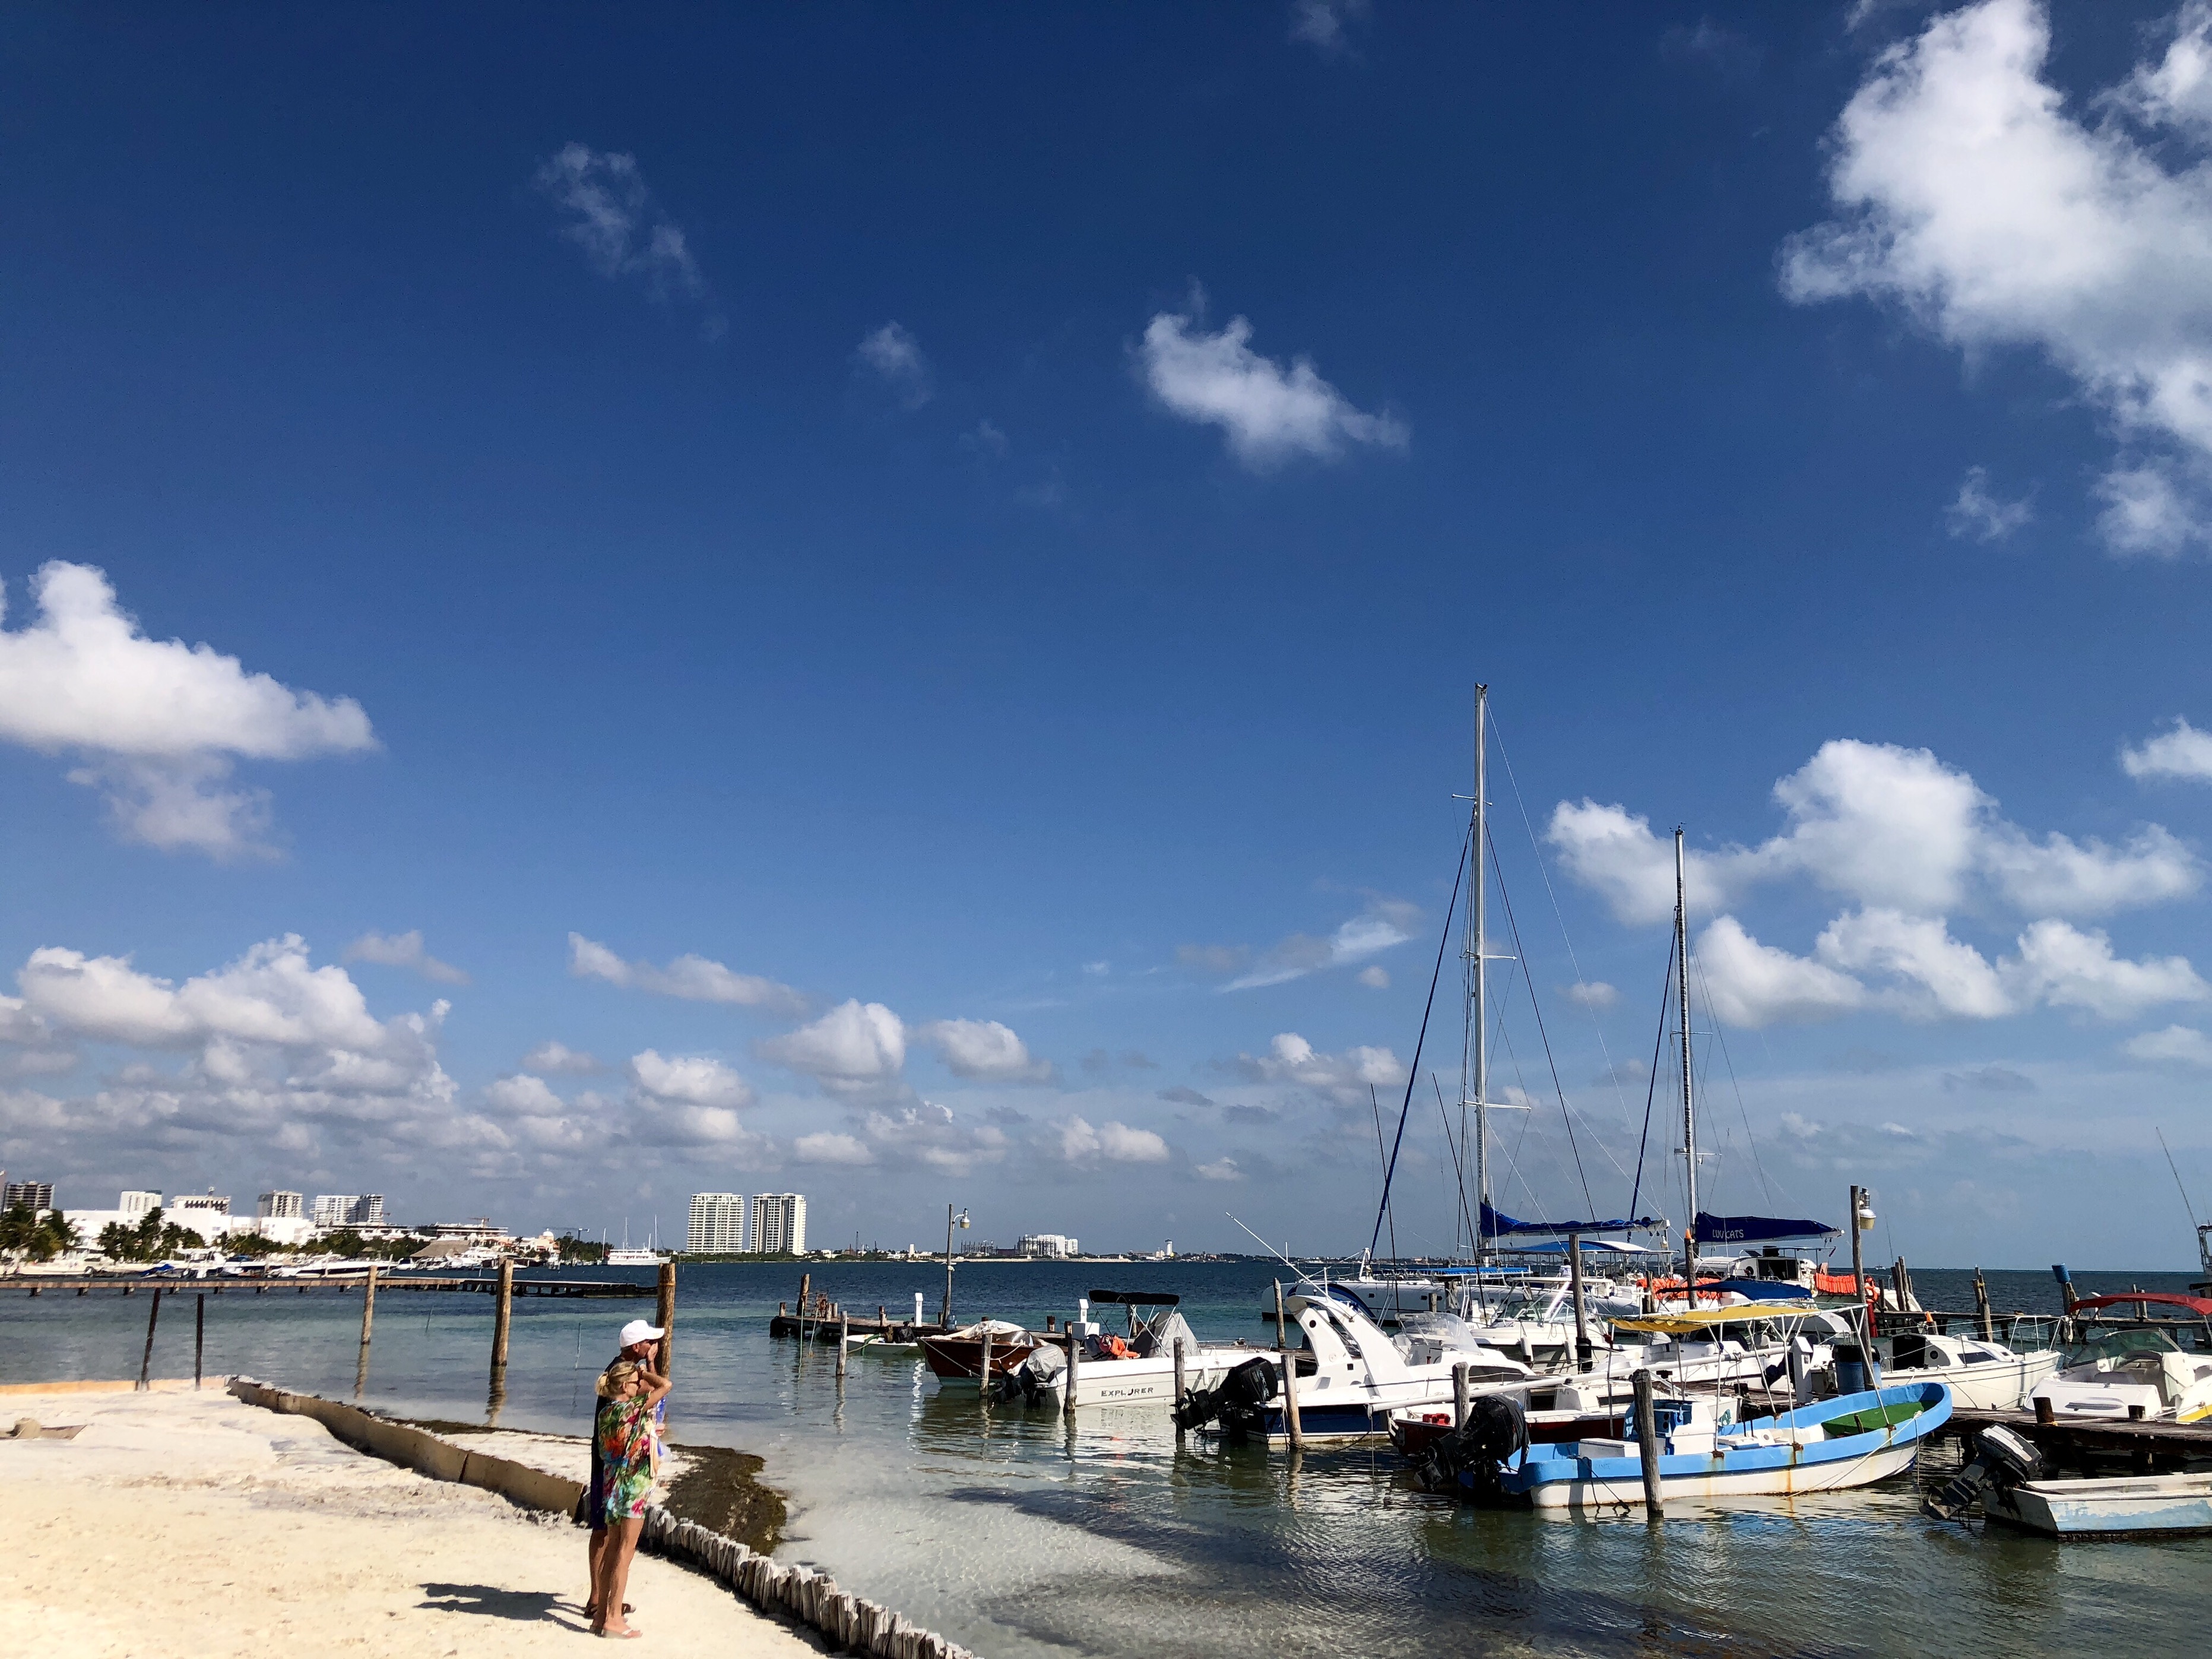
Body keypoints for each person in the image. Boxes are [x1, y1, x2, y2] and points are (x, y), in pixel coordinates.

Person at [585, 1318, 668, 1638]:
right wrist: (646, 1371)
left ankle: (603, 1611)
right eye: (634, 1382)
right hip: (630, 1483)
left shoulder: (612, 1408)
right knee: (622, 1550)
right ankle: (611, 1615)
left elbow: (634, 1427)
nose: (638, 1383)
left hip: (613, 1480)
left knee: (614, 1547)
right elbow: (664, 1388)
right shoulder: (626, 1403)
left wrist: (648, 1429)